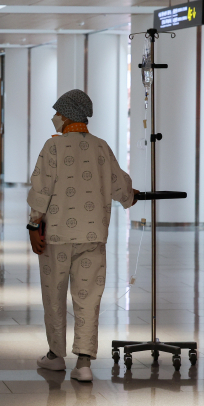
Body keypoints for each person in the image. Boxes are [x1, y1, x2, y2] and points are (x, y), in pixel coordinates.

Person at [27, 89, 138, 382]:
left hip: (56, 236)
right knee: (88, 297)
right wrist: (131, 196)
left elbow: (40, 191)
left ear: (66, 116)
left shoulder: (53, 148)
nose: (54, 118)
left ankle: (55, 355)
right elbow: (120, 186)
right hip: (93, 235)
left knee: (54, 294)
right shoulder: (101, 147)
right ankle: (84, 362)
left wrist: (32, 227)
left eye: (57, 113)